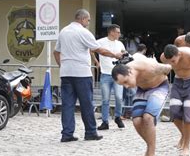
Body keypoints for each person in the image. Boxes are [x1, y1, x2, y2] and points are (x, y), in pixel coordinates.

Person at [54, 9, 118, 142]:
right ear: (82, 19)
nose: (88, 23)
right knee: (87, 104)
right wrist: (115, 55)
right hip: (82, 73)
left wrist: (63, 66)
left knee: (67, 105)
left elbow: (56, 52)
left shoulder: (63, 31)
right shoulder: (83, 32)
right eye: (88, 20)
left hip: (66, 73)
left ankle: (67, 134)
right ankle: (90, 132)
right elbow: (98, 49)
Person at [112, 54, 172, 156]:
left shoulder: (149, 67)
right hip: (142, 90)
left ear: (130, 73)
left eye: (125, 82)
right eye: (122, 85)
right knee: (137, 121)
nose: (126, 86)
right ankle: (150, 146)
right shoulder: (126, 70)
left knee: (148, 117)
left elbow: (169, 67)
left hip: (159, 87)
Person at [160, 44, 190, 156]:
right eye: (169, 61)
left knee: (189, 114)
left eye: (173, 61)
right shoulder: (163, 57)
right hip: (178, 82)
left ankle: (186, 146)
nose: (171, 64)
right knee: (174, 112)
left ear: (179, 54)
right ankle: (185, 134)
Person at [97, 24, 126, 130]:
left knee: (119, 97)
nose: (119, 34)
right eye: (118, 32)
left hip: (118, 74)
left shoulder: (120, 43)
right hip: (105, 73)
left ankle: (118, 116)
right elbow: (91, 50)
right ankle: (105, 121)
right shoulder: (100, 42)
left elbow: (124, 54)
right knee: (105, 99)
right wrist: (96, 62)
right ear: (111, 32)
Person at [122, 44, 148, 120]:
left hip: (129, 77)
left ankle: (126, 113)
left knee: (128, 97)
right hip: (138, 79)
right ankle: (134, 113)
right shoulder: (144, 58)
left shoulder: (132, 56)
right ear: (144, 50)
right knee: (135, 96)